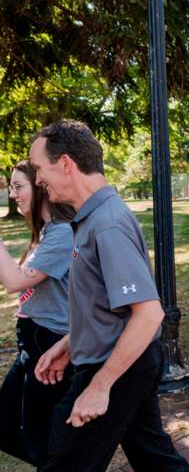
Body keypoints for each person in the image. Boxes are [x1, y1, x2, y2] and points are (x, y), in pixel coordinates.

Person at [29, 120, 189, 471]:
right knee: (155, 458)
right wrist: (72, 342)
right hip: (119, 358)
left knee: (66, 460)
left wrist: (100, 386)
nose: (37, 179)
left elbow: (149, 313)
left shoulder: (107, 224)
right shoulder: (93, 219)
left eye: (39, 168)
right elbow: (106, 305)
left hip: (115, 366)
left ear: (66, 164)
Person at [0, 161, 74, 467]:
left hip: (50, 344)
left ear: (40, 187)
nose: (13, 194)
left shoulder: (61, 233)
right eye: (11, 187)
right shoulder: (45, 232)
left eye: (19, 187)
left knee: (40, 436)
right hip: (30, 342)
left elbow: (15, 282)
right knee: (5, 427)